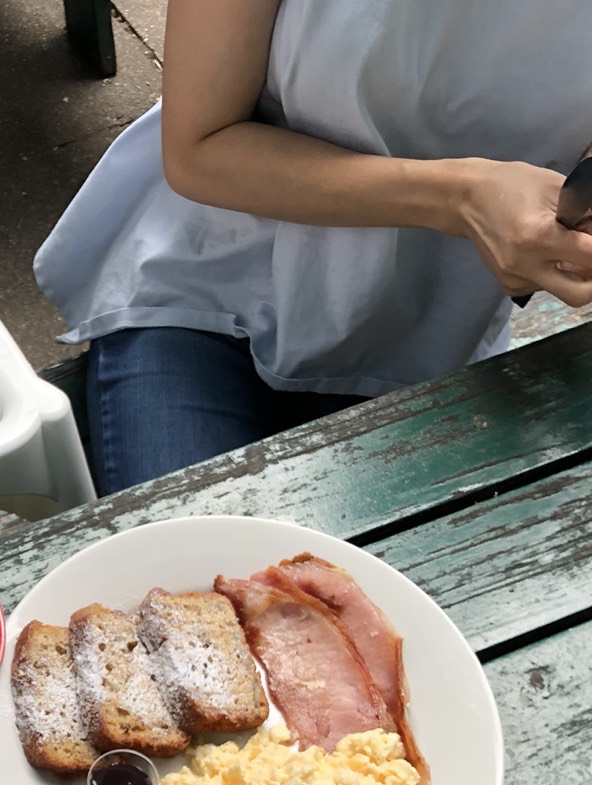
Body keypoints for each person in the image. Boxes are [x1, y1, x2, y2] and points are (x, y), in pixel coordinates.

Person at [35, 0, 592, 495]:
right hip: (206, 298)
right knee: (193, 563)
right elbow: (199, 148)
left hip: (433, 334)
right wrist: (460, 198)